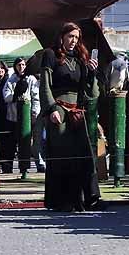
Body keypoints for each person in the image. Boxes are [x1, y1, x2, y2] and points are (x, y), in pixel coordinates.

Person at [39, 22, 103, 212]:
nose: (73, 40)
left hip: (77, 112)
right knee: (61, 156)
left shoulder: (82, 58)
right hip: (58, 109)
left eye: (76, 37)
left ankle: (87, 198)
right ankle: (62, 201)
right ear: (62, 36)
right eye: (70, 36)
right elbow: (45, 86)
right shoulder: (50, 55)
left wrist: (91, 73)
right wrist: (51, 110)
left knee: (83, 154)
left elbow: (91, 92)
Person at [2, 57, 41, 179]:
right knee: (12, 143)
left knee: (30, 143)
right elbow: (6, 96)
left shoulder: (31, 79)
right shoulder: (11, 80)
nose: (21, 67)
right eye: (19, 64)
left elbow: (36, 97)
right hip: (13, 117)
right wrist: (15, 96)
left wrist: (34, 113)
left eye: (23, 64)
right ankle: (9, 167)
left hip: (28, 117)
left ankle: (37, 165)